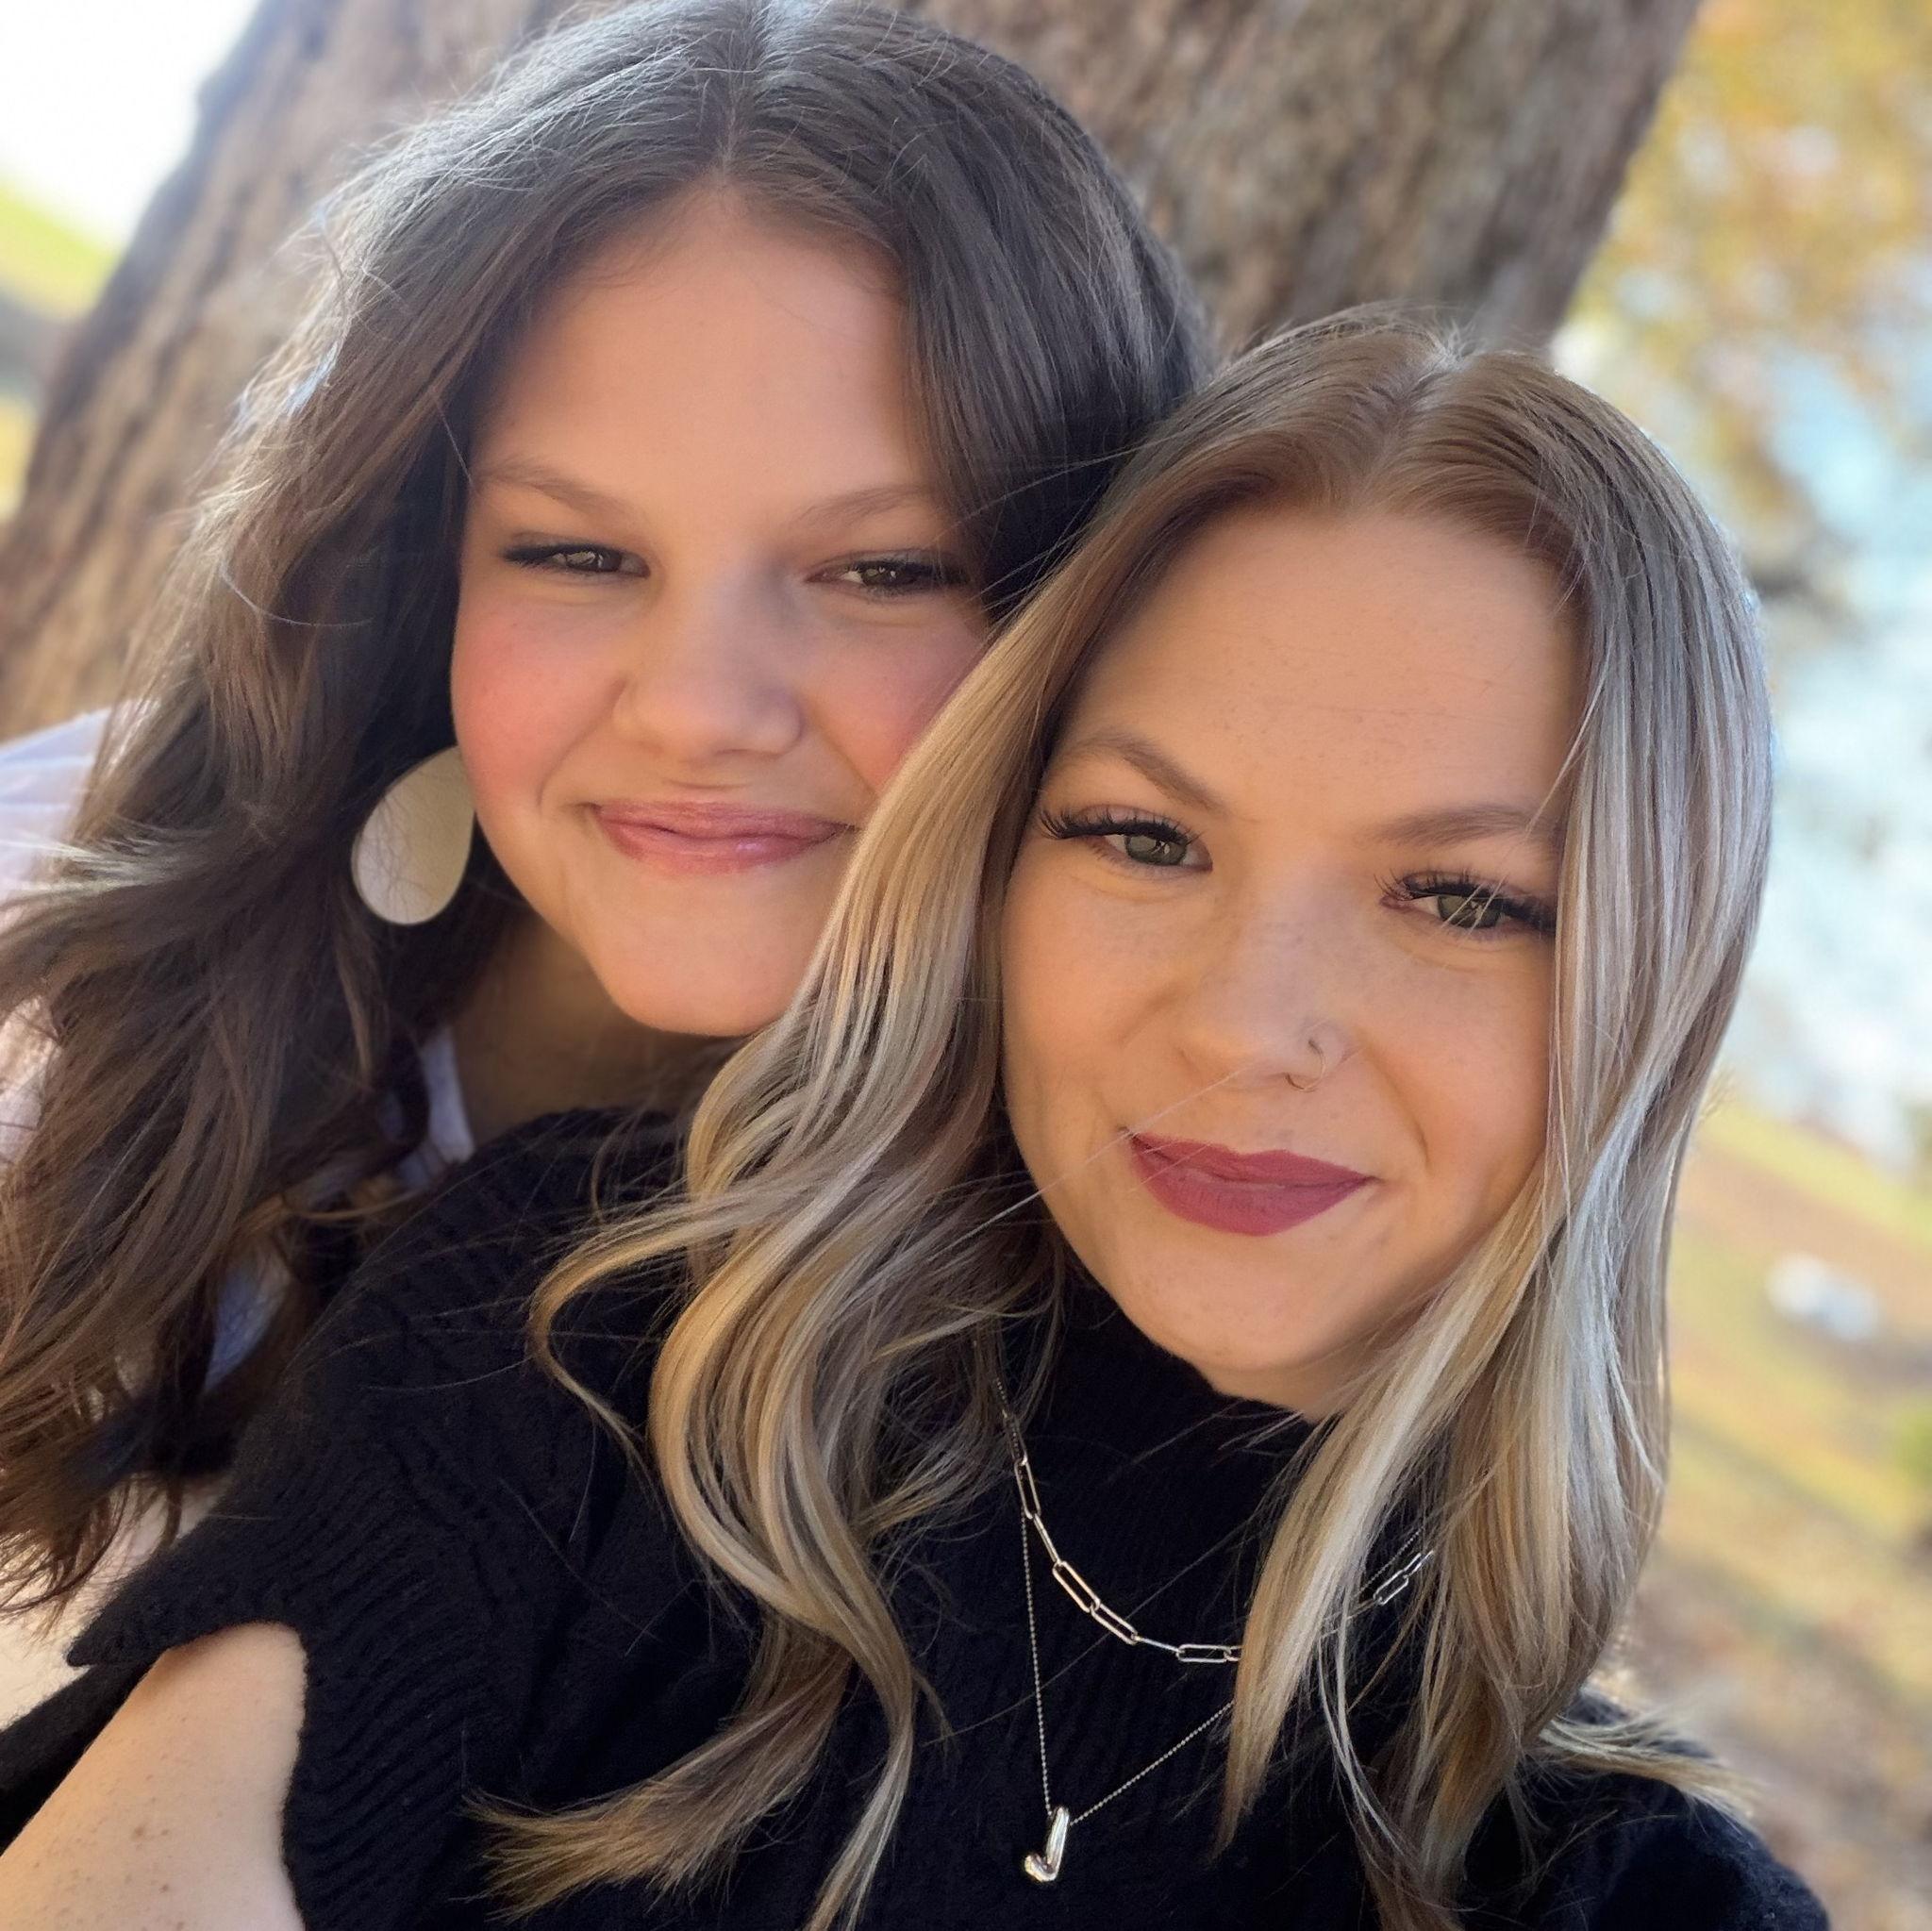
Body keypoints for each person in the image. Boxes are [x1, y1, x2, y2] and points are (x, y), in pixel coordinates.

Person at [0, 316, 1826, 1929]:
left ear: (1651, 988)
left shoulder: (1630, 1896)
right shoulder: (584, 1349)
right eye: (1142, 837)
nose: (1244, 1023)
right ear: (998, 858)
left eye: (1462, 898)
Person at [0, 0, 1211, 1812]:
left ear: (1088, 606)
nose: (700, 707)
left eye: (883, 570)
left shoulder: (1148, 1238)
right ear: (431, 567)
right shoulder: (75, 924)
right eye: (575, 551)